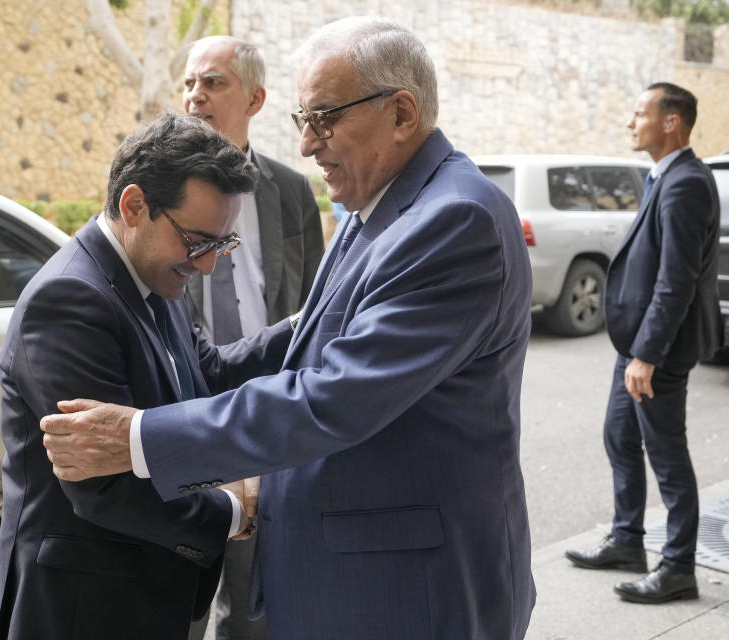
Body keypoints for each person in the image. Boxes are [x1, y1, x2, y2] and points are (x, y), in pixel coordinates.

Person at [41, 16, 536, 639]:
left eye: (325, 118)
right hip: (360, 576)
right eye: (303, 120)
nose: (307, 144)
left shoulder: (453, 219)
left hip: (409, 589)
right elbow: (315, 333)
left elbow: (335, 396)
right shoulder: (375, 200)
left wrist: (143, 437)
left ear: (402, 113)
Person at [0, 112, 295, 639]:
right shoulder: (69, 299)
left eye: (222, 246)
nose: (206, 267)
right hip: (87, 606)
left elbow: (206, 372)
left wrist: (307, 325)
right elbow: (103, 484)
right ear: (134, 206)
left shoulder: (153, 274)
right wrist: (230, 511)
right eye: (199, 242)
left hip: (150, 591)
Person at [181, 35, 324, 640]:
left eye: (212, 83)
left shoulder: (291, 191)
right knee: (177, 597)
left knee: (251, 606)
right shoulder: (155, 185)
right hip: (183, 414)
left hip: (265, 418)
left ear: (256, 98)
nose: (195, 97)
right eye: (189, 83)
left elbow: (317, 306)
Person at [565, 82, 721, 604]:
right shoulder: (665, 177)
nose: (631, 123)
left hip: (657, 352)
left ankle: (678, 568)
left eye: (639, 114)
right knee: (618, 437)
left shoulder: (687, 184)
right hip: (634, 348)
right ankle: (627, 540)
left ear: (671, 122)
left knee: (667, 455)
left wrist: (648, 355)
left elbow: (674, 281)